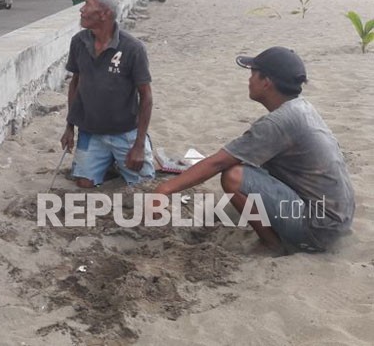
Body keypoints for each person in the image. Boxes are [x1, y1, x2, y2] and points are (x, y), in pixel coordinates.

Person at [152, 47, 355, 253]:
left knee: (233, 176)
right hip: (337, 218)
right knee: (245, 165)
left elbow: (219, 162)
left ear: (266, 82)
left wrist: (164, 189)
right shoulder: (302, 108)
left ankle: (272, 244)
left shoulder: (278, 123)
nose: (249, 80)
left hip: (318, 229)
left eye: (252, 74)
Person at [60, 0, 155, 188]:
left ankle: (132, 151)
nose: (81, 9)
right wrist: (70, 127)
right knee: (84, 183)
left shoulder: (133, 49)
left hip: (126, 131)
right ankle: (109, 162)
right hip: (91, 131)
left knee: (143, 183)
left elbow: (146, 97)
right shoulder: (79, 42)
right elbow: (75, 83)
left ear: (105, 14)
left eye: (87, 4)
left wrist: (138, 145)